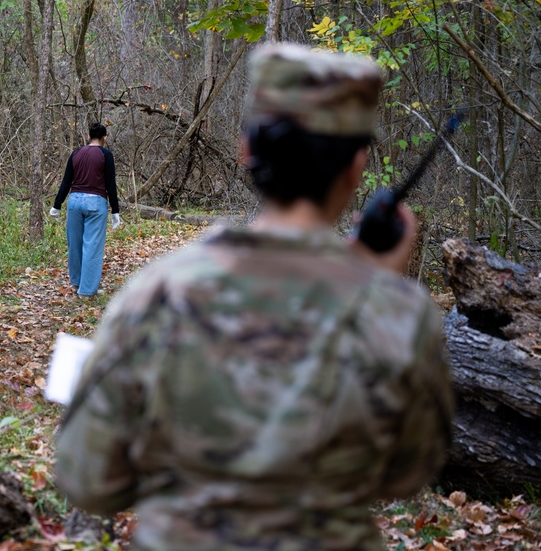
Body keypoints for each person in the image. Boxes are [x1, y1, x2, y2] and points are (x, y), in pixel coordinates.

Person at [55, 44, 454, 551]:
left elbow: (89, 477)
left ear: (246, 150)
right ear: (356, 167)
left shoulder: (159, 292)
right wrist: (382, 291)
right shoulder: (401, 313)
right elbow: (408, 474)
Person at [49, 123, 121, 297]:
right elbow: (111, 184)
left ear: (88, 136)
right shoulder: (106, 155)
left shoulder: (76, 153)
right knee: (92, 246)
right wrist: (115, 211)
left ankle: (76, 283)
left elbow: (66, 181)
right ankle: (87, 290)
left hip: (74, 202)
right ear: (105, 138)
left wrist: (56, 205)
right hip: (95, 203)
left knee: (75, 244)